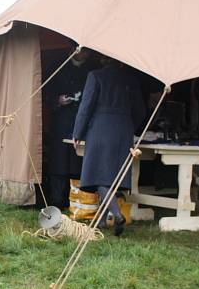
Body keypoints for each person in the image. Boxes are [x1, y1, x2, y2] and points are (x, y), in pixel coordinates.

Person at [72, 57, 145, 236]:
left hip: (100, 128)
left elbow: (86, 106)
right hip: (123, 129)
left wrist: (77, 132)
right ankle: (103, 221)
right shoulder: (131, 80)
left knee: (99, 177)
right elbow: (141, 110)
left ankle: (117, 215)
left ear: (102, 60)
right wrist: (129, 125)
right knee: (112, 176)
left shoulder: (95, 76)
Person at [44, 49, 94, 208]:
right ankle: (56, 201)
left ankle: (77, 202)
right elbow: (45, 92)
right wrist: (57, 100)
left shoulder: (92, 69)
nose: (84, 55)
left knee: (78, 163)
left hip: (84, 123)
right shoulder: (57, 67)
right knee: (59, 163)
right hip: (61, 121)